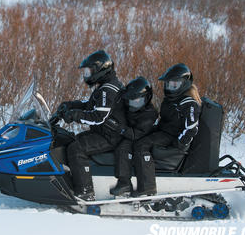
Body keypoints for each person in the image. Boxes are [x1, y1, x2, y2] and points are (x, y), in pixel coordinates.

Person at [57, 50, 126, 201]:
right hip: (105, 132)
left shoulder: (108, 90)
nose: (86, 75)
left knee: (77, 149)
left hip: (110, 136)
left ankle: (85, 192)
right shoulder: (105, 86)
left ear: (100, 70)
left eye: (89, 71)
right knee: (71, 140)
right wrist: (70, 105)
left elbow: (98, 117)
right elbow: (90, 105)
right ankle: (72, 181)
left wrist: (75, 115)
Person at [131, 63, 202, 196]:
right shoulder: (173, 100)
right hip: (164, 131)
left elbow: (191, 128)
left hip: (172, 137)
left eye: (174, 85)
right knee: (136, 136)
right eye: (168, 84)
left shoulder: (189, 103)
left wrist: (179, 144)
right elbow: (166, 120)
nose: (169, 87)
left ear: (184, 84)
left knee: (141, 145)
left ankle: (147, 187)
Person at [108, 77, 159, 196]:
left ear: (146, 98)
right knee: (122, 145)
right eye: (130, 101)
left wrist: (117, 127)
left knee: (124, 148)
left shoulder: (149, 114)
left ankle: (125, 182)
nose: (133, 104)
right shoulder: (132, 108)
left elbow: (135, 134)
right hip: (134, 134)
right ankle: (124, 182)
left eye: (137, 101)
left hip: (142, 137)